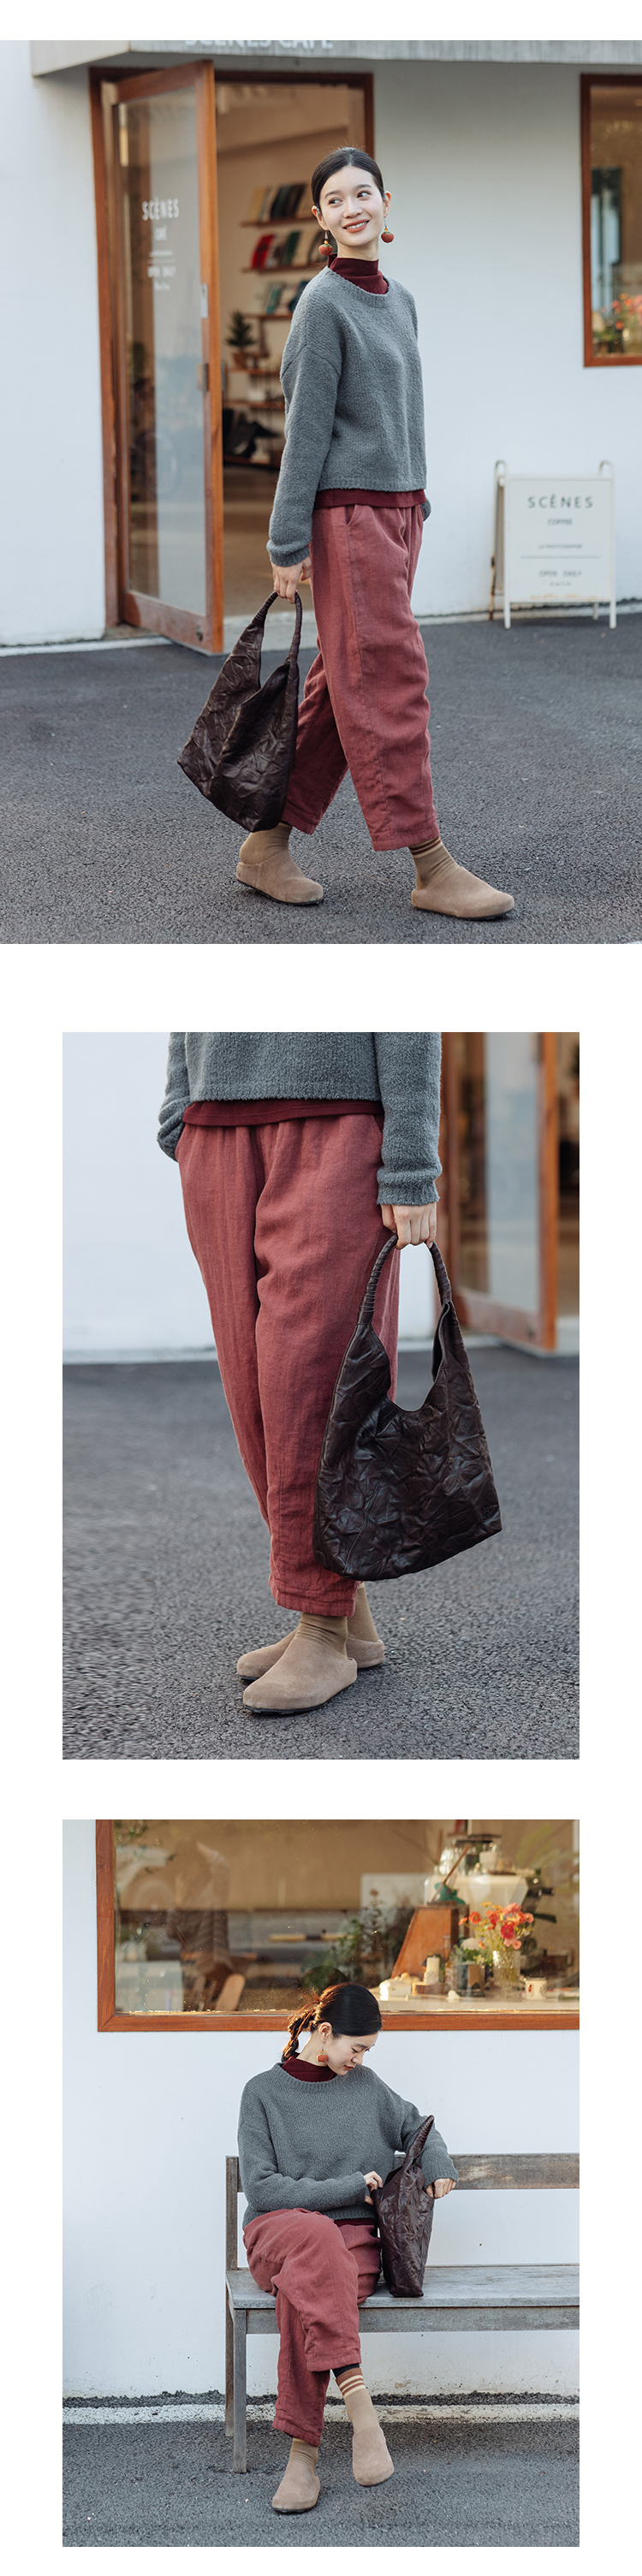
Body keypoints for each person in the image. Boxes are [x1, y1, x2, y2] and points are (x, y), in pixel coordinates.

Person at [235, 146, 514, 923]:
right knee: (391, 678)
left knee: (343, 686)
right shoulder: (321, 306)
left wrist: (415, 502)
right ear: (320, 218)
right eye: (336, 199)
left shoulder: (401, 301)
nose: (352, 207)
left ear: (387, 205)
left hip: (397, 514)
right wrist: (287, 541)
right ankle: (431, 865)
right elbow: (305, 429)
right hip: (347, 518)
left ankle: (265, 846)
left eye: (364, 193)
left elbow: (404, 411)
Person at [158, 1030, 441, 1712]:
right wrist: (179, 1108)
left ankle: (323, 1631)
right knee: (252, 1387)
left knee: (310, 1384)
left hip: (335, 1125)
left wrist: (410, 1163)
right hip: (216, 1128)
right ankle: (346, 1613)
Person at [238, 1979, 457, 2513]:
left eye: (368, 2051)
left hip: (347, 2247)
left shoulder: (367, 2087)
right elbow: (262, 2190)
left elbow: (419, 2127)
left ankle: (302, 2460)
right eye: (356, 2048)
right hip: (278, 2231)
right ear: (324, 2031)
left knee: (304, 2288)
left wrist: (438, 2163)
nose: (360, 2060)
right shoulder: (262, 2093)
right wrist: (348, 2187)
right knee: (316, 2236)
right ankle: (361, 2408)